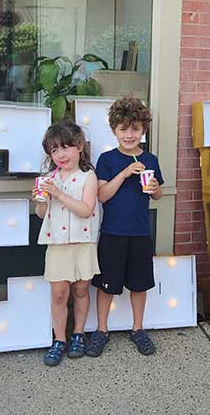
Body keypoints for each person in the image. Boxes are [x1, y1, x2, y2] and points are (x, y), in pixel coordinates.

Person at [87, 97, 163, 357]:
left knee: (139, 285)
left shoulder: (151, 159)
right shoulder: (107, 159)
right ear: (114, 130)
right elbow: (102, 195)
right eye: (123, 129)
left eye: (135, 129)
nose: (129, 135)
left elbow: (157, 195)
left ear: (144, 130)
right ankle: (101, 330)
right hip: (112, 233)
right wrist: (124, 173)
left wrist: (154, 189)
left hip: (140, 232)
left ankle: (138, 329)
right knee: (106, 286)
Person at [33, 120, 101, 366]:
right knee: (59, 294)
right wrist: (41, 200)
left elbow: (85, 210)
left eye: (65, 147)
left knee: (81, 290)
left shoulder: (88, 177)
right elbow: (42, 215)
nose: (60, 154)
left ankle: (79, 334)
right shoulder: (49, 178)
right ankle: (59, 339)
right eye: (54, 150)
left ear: (79, 146)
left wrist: (59, 194)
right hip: (57, 243)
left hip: (83, 242)